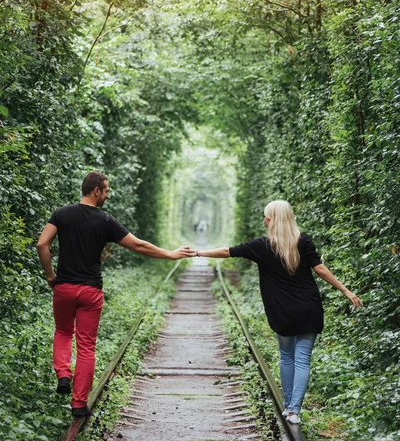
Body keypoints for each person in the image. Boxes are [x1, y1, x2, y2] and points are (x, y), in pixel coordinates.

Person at [37, 171, 195, 418]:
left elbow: (42, 244)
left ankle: (63, 374)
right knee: (87, 346)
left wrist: (50, 275)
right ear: (96, 190)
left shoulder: (62, 214)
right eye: (107, 190)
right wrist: (171, 254)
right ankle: (79, 405)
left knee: (63, 331)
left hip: (64, 288)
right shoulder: (105, 220)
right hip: (90, 290)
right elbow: (138, 245)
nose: (108, 195)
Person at [195, 200, 362, 424]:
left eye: (266, 216)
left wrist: (197, 253)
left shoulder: (262, 245)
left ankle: (288, 406)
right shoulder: (303, 240)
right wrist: (346, 290)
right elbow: (320, 269)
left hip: (282, 312)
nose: (264, 220)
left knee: (287, 356)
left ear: (271, 220)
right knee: (303, 360)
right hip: (308, 308)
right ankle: (294, 412)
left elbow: (228, 252)